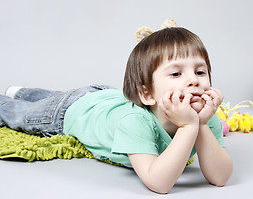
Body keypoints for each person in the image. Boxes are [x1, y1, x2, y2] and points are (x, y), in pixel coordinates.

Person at [0, 26, 233, 194]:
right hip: (73, 110)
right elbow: (159, 183)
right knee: (21, 114)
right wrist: (189, 126)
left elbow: (220, 177)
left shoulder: (202, 117)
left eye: (200, 72)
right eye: (176, 74)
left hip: (106, 97)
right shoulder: (135, 121)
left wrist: (199, 124)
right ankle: (13, 96)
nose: (194, 80)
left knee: (50, 97)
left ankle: (20, 90)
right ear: (147, 94)